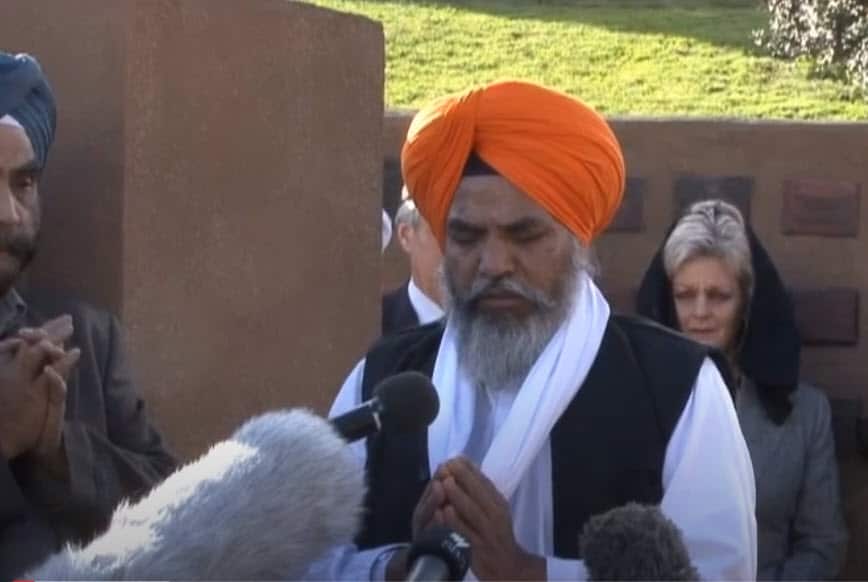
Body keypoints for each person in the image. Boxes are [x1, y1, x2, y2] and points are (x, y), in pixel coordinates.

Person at [307, 80, 757, 581]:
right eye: (466, 236)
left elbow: (720, 572)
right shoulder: (383, 383)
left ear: (577, 240)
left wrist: (528, 574)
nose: (494, 263)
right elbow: (305, 564)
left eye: (525, 235)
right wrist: (399, 569)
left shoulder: (677, 388)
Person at [0, 51, 176, 578]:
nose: (7, 213)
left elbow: (170, 506)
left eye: (23, 184)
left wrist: (56, 450)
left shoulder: (90, 340)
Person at [636, 199, 848, 580]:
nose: (700, 312)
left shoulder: (805, 413)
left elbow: (822, 544)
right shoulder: (632, 400)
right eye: (685, 295)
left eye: (718, 296)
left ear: (746, 303)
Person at [381, 191, 444, 335]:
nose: (458, 250)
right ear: (406, 236)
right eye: (444, 230)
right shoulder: (376, 323)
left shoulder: (499, 324)